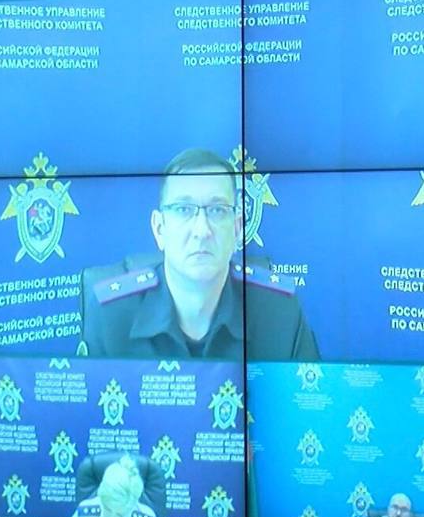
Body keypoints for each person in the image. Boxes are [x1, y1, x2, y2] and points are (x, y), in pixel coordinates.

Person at [79, 148, 319, 361]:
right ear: (160, 229)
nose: (202, 231)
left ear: (237, 229)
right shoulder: (111, 316)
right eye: (184, 209)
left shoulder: (280, 312)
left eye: (217, 210)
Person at [68, 455, 157, 517]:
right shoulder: (85, 513)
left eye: (120, 515)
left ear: (134, 504)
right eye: (107, 509)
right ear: (100, 495)